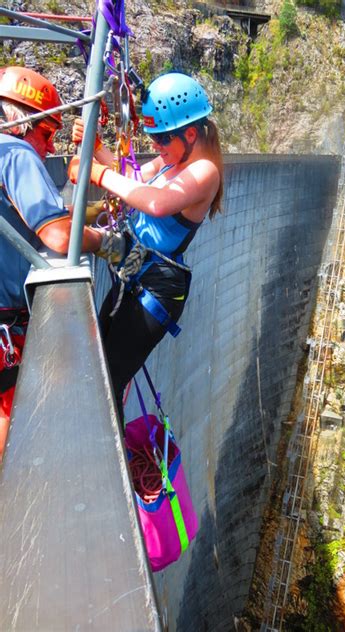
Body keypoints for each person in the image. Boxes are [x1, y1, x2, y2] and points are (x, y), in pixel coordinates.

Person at [68, 72, 223, 421]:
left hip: (158, 289)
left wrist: (96, 174)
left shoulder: (205, 171)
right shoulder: (172, 161)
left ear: (190, 133)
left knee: (108, 380)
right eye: (153, 138)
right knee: (100, 367)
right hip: (139, 276)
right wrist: (94, 150)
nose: (156, 146)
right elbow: (132, 180)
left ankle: (109, 467)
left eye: (162, 138)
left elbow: (156, 203)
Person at [0, 66, 104, 459]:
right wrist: (106, 242)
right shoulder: (15, 152)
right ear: (22, 121)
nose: (47, 147)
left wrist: (86, 212)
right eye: (46, 134)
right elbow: (59, 234)